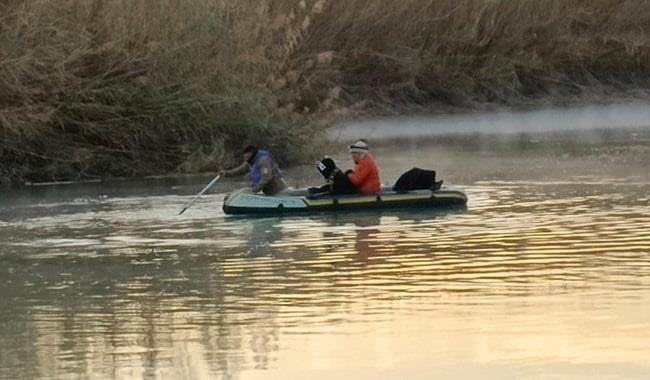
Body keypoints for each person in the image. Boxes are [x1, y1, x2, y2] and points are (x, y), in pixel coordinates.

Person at [220, 144, 287, 195]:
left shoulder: (263, 161)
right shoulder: (251, 161)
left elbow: (266, 178)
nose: (246, 159)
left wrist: (256, 189)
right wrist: (226, 173)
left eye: (247, 157)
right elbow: (240, 170)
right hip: (267, 190)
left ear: (252, 154)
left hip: (277, 188)